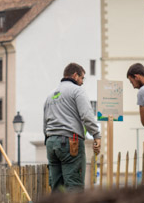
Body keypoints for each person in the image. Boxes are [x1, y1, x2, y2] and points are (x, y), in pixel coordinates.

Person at [43, 62, 101, 192]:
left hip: (51, 143)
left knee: (57, 187)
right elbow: (86, 115)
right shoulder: (77, 91)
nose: (82, 82)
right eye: (82, 78)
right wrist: (96, 135)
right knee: (74, 186)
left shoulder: (50, 95)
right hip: (70, 142)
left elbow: (45, 123)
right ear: (75, 75)